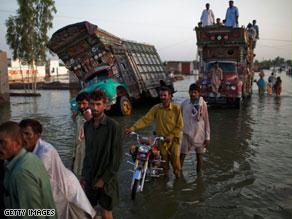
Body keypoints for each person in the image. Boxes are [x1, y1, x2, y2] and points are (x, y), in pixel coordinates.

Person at [19, 119, 96, 219]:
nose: (24, 138)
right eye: (21, 134)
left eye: (27, 134)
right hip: (54, 191)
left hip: (66, 190)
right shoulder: (26, 149)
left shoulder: (46, 152)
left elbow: (33, 177)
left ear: (38, 135)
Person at [0, 121, 57, 217]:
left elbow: (32, 214)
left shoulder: (21, 173)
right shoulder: (30, 158)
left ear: (17, 142)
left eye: (3, 143)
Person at [81, 90, 123, 219]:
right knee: (88, 211)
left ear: (105, 105)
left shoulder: (113, 126)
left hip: (107, 178)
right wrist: (83, 175)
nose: (95, 108)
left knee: (106, 213)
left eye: (98, 104)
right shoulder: (87, 125)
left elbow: (116, 158)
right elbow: (88, 153)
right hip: (90, 176)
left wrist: (103, 179)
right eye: (92, 104)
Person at [125, 86, 183, 178]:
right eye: (161, 95)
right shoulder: (156, 108)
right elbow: (145, 119)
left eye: (165, 95)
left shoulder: (176, 108)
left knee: (176, 160)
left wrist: (172, 135)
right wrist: (132, 128)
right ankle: (166, 180)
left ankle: (178, 179)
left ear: (170, 96)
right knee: (164, 163)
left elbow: (180, 125)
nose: (163, 97)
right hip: (161, 140)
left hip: (174, 140)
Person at [180, 84, 210, 173]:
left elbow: (206, 121)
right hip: (186, 134)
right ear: (188, 92)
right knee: (181, 156)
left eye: (195, 92)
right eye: (191, 92)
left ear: (198, 94)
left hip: (199, 134)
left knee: (199, 157)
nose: (193, 94)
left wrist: (207, 137)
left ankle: (199, 176)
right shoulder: (184, 103)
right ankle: (178, 174)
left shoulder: (202, 104)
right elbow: (179, 119)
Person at [72, 92, 92, 178]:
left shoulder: (90, 113)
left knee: (84, 172)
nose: (81, 106)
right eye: (79, 104)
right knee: (77, 170)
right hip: (78, 146)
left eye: (84, 103)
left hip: (87, 148)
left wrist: (88, 118)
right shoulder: (79, 115)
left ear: (89, 103)